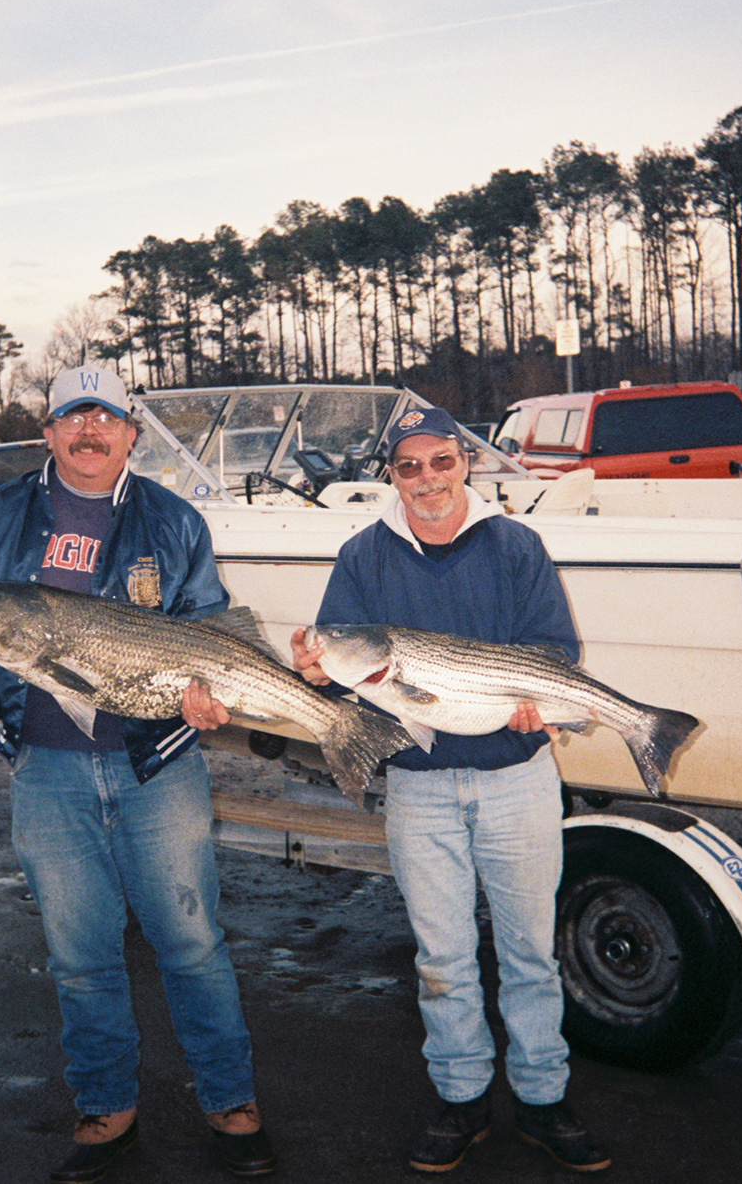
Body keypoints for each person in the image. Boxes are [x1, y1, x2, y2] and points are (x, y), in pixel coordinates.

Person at [0, 365, 274, 1183]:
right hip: (46, 766)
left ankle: (231, 1103)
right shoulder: (3, 513)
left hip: (156, 765)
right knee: (78, 952)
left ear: (130, 434)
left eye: (104, 418)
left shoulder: (171, 519)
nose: (88, 432)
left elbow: (206, 621)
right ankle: (106, 1109)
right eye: (72, 418)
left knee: (192, 942)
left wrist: (212, 696)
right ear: (49, 433)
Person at [288, 404, 611, 1174]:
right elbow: (342, 675)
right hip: (420, 789)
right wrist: (317, 668)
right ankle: (461, 1095)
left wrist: (541, 702)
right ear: (391, 475)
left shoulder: (517, 544)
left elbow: (554, 650)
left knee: (532, 950)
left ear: (464, 462)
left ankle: (541, 1098)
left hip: (519, 781)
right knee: (443, 954)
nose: (427, 479)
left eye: (441, 461)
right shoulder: (362, 558)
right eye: (409, 466)